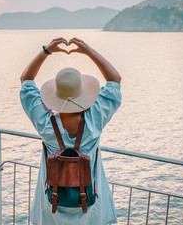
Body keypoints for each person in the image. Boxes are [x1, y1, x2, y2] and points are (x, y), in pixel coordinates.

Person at [20, 37, 122, 225]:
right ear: (84, 95)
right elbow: (115, 79)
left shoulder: (45, 122)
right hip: (89, 206)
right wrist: (89, 51)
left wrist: (46, 50)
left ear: (56, 96)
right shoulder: (95, 120)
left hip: (52, 205)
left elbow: (26, 79)